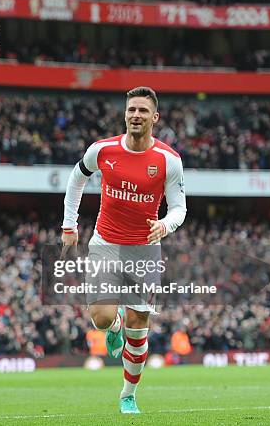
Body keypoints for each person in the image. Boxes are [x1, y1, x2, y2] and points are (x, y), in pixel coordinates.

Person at [61, 86, 186, 414]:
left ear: (154, 118)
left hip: (145, 251)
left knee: (138, 326)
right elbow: (76, 180)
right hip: (105, 243)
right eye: (132, 109)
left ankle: (128, 394)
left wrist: (166, 225)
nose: (136, 115)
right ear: (125, 114)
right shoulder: (102, 151)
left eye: (143, 111)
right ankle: (112, 325)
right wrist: (69, 225)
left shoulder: (168, 160)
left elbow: (179, 208)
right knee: (101, 320)